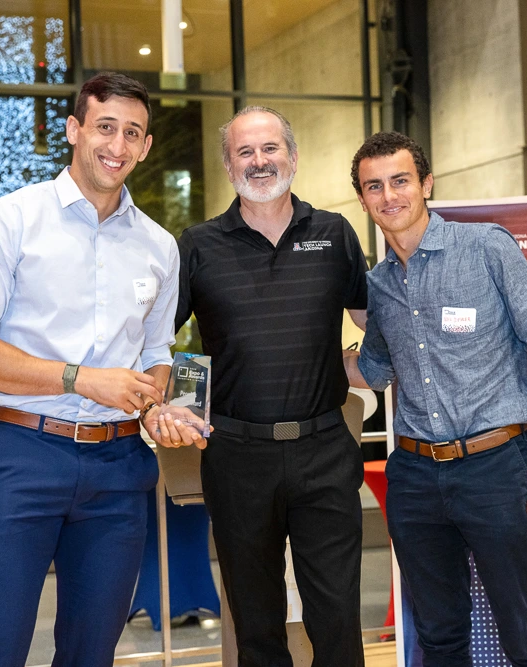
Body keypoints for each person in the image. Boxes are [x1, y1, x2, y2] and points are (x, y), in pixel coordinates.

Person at [0, 71, 204, 667]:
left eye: (132, 132)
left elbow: (158, 355)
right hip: (22, 456)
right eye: (104, 127)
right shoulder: (10, 221)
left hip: (119, 467)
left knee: (92, 652)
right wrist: (81, 379)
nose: (117, 144)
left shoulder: (160, 246)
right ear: (74, 130)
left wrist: (156, 403)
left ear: (146, 146)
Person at [343, 131, 527, 667]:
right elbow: (374, 370)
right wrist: (291, 362)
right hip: (416, 478)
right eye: (373, 186)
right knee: (440, 640)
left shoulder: (487, 247)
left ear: (426, 184)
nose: (389, 196)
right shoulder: (379, 285)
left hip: (498, 470)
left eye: (400, 181)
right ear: (362, 199)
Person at [174, 106, 369, 666]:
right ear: (229, 164)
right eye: (245, 152)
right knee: (255, 626)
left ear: (293, 156)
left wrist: (362, 362)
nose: (259, 162)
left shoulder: (334, 233)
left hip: (325, 452)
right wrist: (183, 404)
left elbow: (373, 319)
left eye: (269, 149)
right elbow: (160, 341)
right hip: (236, 457)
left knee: (335, 618)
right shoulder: (198, 245)